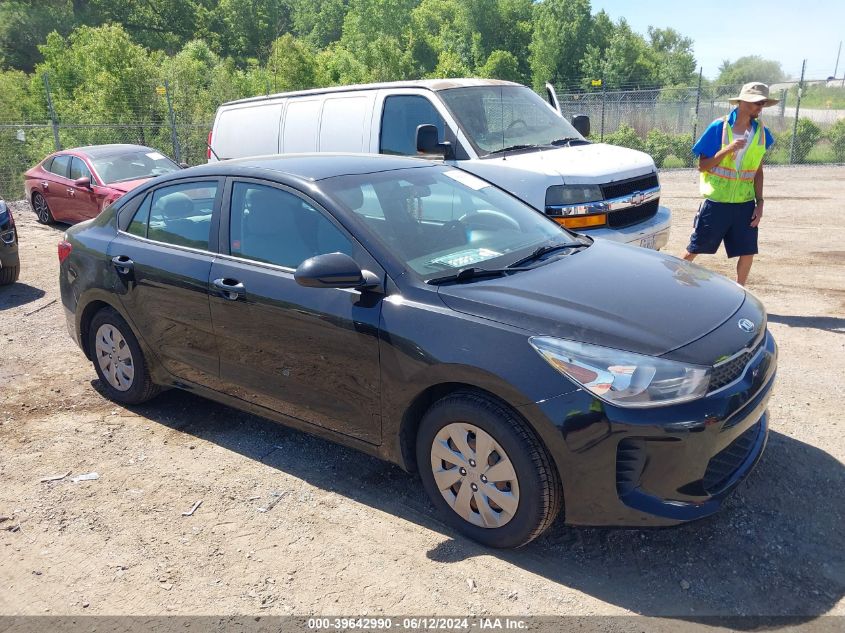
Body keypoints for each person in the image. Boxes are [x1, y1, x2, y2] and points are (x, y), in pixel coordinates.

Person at [683, 82, 777, 286]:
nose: (760, 108)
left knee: (748, 251)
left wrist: (759, 203)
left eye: (763, 103)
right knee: (695, 248)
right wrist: (728, 149)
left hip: (744, 203)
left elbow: (758, 171)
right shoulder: (719, 127)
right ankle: (671, 283)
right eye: (757, 103)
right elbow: (703, 166)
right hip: (717, 201)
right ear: (743, 102)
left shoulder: (761, 132)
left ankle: (740, 291)